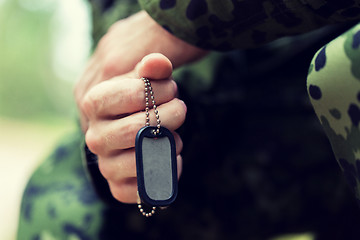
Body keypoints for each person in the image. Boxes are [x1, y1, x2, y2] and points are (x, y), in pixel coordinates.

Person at [18, 0, 360, 239]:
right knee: (63, 195)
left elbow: (156, 27)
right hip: (260, 90)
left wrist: (181, 18)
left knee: (341, 72)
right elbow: (120, 29)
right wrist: (143, 103)